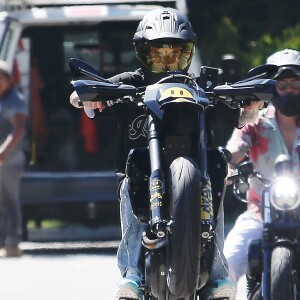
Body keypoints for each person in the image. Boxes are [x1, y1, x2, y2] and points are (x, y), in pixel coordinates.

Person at [70, 8, 236, 300]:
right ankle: (132, 274)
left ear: (188, 54)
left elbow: (236, 111)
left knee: (218, 170)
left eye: (175, 53)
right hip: (141, 176)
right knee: (129, 180)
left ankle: (218, 275)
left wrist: (246, 106)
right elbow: (85, 94)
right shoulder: (129, 83)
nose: (167, 61)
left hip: (196, 177)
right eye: (157, 53)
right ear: (143, 54)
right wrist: (89, 97)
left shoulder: (199, 86)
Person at [224, 48, 300, 285]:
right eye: (282, 84)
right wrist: (226, 167)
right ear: (271, 87)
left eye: (295, 84)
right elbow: (235, 148)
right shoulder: (255, 122)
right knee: (227, 264)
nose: (289, 90)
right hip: (260, 214)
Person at [0, 60, 28, 258]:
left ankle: (13, 242)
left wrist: (3, 152)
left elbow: (18, 129)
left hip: (10, 159)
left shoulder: (15, 100)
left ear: (9, 80)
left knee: (10, 200)